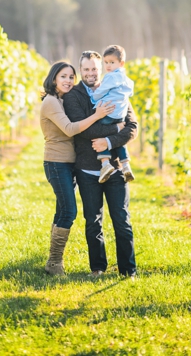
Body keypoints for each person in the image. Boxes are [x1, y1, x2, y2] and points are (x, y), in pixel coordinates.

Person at [64, 50, 139, 278]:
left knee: (121, 220)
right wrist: (115, 128)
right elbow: (82, 128)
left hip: (115, 169)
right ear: (81, 71)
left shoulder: (116, 87)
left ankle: (129, 270)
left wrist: (108, 139)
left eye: (94, 69)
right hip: (87, 169)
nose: (90, 73)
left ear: (102, 69)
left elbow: (132, 127)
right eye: (86, 69)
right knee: (93, 222)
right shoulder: (73, 96)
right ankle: (97, 268)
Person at [39, 61, 114, 275]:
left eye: (71, 77)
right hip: (56, 163)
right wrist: (98, 116)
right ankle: (54, 263)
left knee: (62, 209)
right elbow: (71, 129)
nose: (68, 81)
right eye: (63, 76)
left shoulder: (62, 100)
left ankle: (53, 261)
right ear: (54, 78)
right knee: (69, 210)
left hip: (68, 163)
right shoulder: (52, 102)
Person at [86, 44, 135, 183]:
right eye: (106, 62)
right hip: (120, 114)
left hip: (108, 112)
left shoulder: (110, 77)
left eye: (112, 62)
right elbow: (130, 92)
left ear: (121, 63)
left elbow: (101, 91)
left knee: (99, 131)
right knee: (117, 137)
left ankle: (105, 164)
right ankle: (125, 165)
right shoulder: (126, 79)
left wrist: (93, 97)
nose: (108, 65)